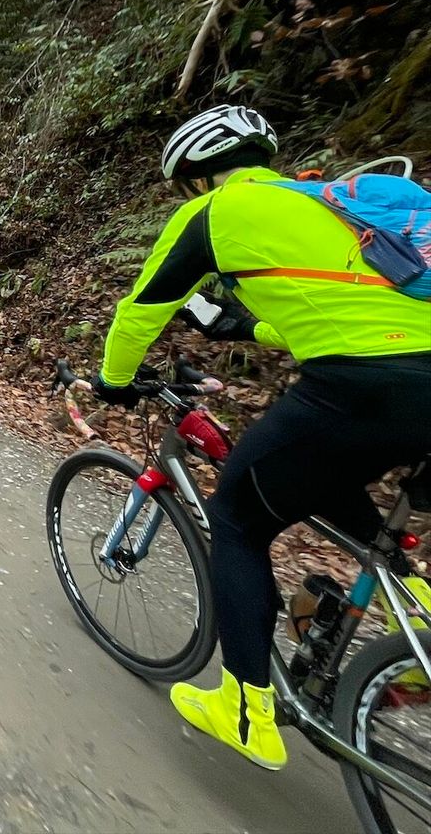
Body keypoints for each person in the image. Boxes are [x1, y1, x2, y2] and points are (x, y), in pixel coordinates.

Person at [92, 104, 431, 770]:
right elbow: (334, 309)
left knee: (237, 520)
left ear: (197, 177)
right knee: (320, 475)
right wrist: (245, 329)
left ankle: (245, 712)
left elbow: (141, 313)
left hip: (363, 386)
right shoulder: (325, 203)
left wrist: (113, 381)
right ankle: (419, 621)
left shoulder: (214, 213)